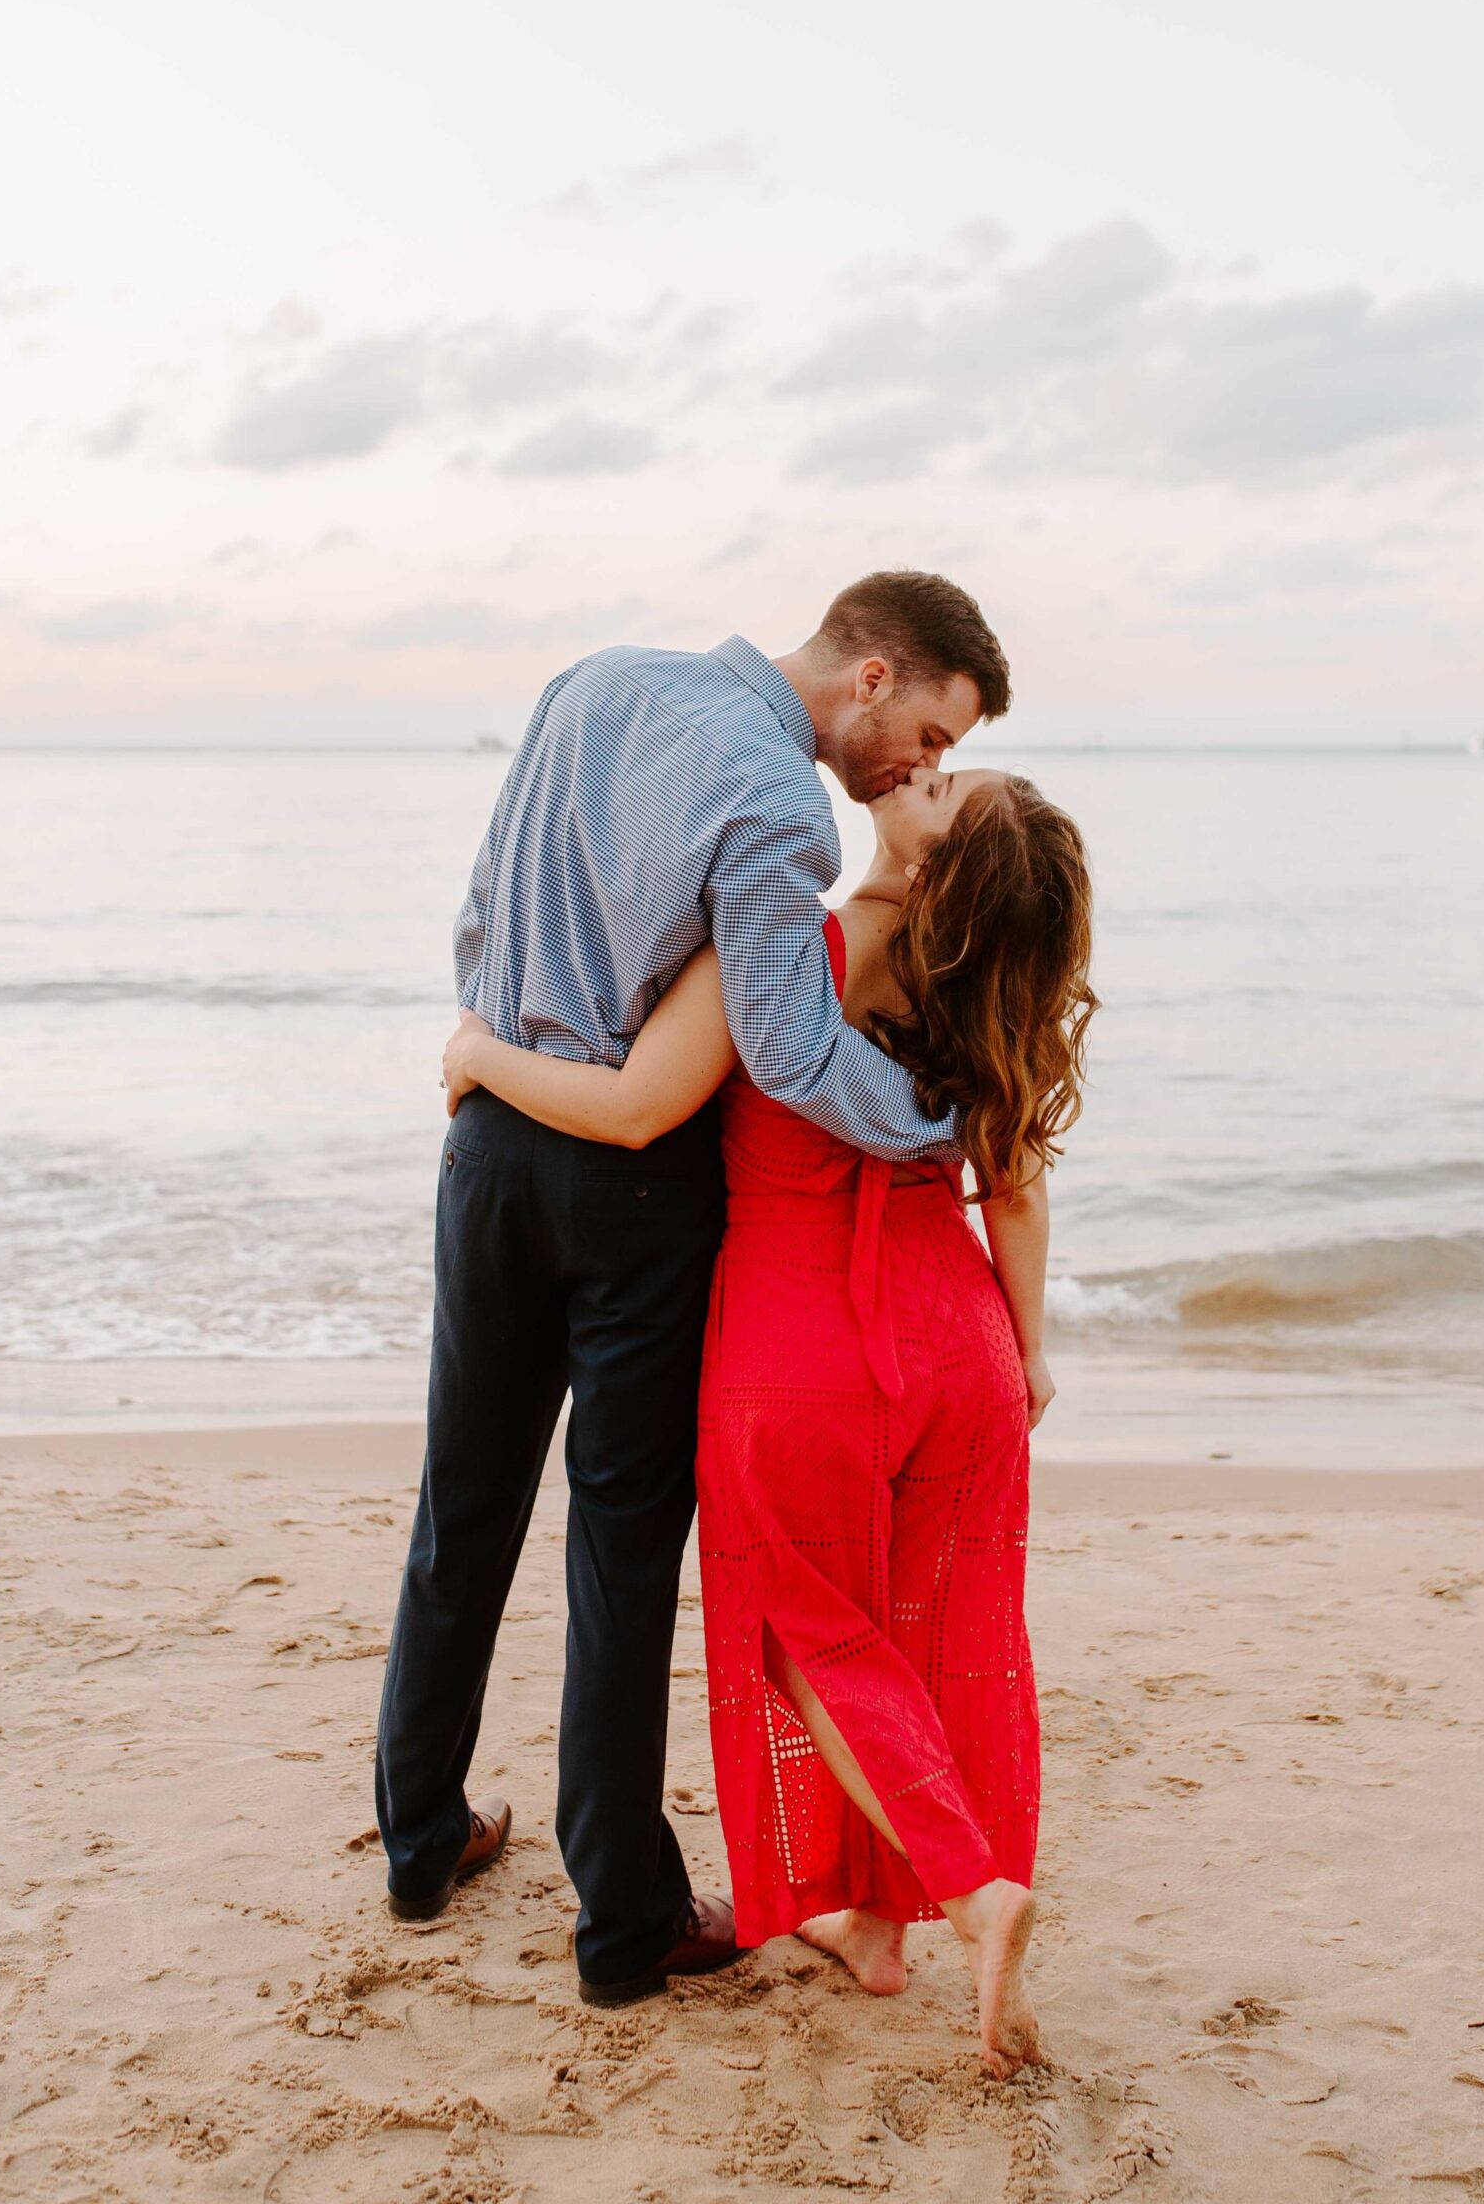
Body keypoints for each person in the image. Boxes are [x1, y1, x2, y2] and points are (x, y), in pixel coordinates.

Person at [374, 572, 1011, 2013]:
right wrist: (942, 1124)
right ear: (870, 675)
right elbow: (783, 1048)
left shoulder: (592, 680)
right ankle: (624, 1925)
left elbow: (482, 911)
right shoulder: (782, 809)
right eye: (923, 730)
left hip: (489, 1142)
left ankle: (419, 1845)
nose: (915, 767)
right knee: (616, 1547)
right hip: (635, 1191)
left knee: (461, 1501)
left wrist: (493, 1045)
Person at [443, 762, 1096, 2077]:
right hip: (956, 1334)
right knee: (929, 1630)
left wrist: (478, 1056)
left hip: (798, 1339)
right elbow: (1012, 1192)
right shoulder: (995, 994)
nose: (918, 773)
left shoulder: (790, 949)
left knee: (799, 1632)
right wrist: (1024, 1355)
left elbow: (633, 1112)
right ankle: (866, 1923)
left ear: (942, 859)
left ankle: (964, 1889)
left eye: (944, 785)